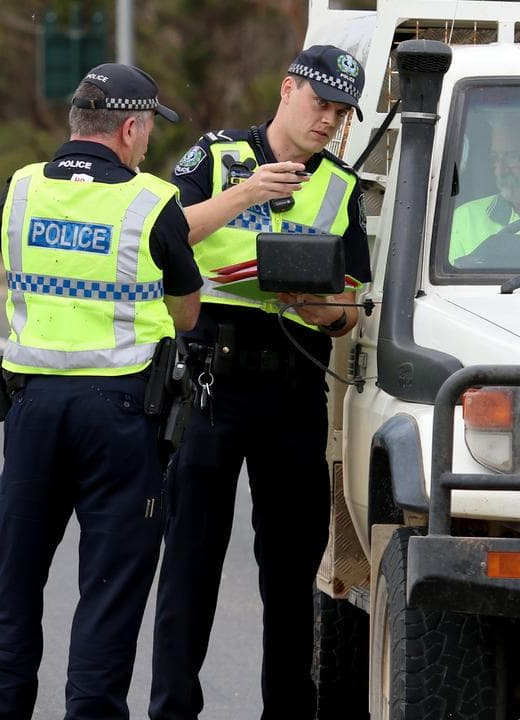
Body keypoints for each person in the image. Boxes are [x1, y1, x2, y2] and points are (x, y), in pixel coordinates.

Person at [0, 63, 202, 720]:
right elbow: (185, 315)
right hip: (121, 417)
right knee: (109, 594)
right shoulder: (152, 204)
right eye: (149, 128)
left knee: (14, 585)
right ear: (130, 127)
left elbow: (17, 269)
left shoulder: (19, 191)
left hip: (32, 407)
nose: (148, 142)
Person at [148, 45, 373, 720]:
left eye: (340, 112)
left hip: (293, 389)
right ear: (286, 90)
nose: (327, 120)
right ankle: (172, 710)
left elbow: (352, 307)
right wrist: (249, 193)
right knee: (190, 563)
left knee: (289, 572)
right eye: (319, 103)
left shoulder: (340, 186)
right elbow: (168, 235)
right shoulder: (217, 158)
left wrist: (317, 305)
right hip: (212, 383)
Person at [450, 119, 519, 265]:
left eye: (512, 156)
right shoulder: (465, 218)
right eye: (495, 158)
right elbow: (449, 285)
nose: (500, 171)